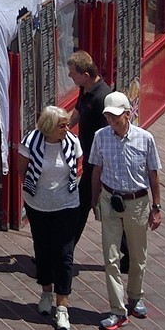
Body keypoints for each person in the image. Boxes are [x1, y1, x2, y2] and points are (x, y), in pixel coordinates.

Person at [88, 91, 162, 329]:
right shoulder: (100, 137)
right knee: (110, 259)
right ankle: (117, 310)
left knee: (137, 256)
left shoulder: (145, 138)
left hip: (137, 202)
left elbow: (153, 174)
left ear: (128, 114)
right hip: (110, 200)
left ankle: (136, 295)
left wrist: (156, 207)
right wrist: (94, 201)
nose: (112, 121)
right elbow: (96, 171)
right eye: (109, 117)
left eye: (116, 117)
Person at [19, 103, 83, 330]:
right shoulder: (30, 143)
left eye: (67, 125)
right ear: (48, 126)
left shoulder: (72, 143)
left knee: (64, 254)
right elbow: (21, 171)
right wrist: (36, 193)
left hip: (67, 206)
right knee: (43, 250)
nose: (67, 129)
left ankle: (63, 307)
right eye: (62, 126)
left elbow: (77, 167)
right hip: (38, 206)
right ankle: (46, 292)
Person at [65, 49, 111, 251]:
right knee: (87, 206)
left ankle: (64, 250)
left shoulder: (102, 98)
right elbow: (77, 112)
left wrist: (99, 171)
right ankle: (127, 253)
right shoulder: (86, 89)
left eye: (72, 73)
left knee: (83, 205)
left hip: (98, 163)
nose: (69, 76)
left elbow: (109, 136)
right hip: (90, 160)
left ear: (85, 75)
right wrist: (59, 126)